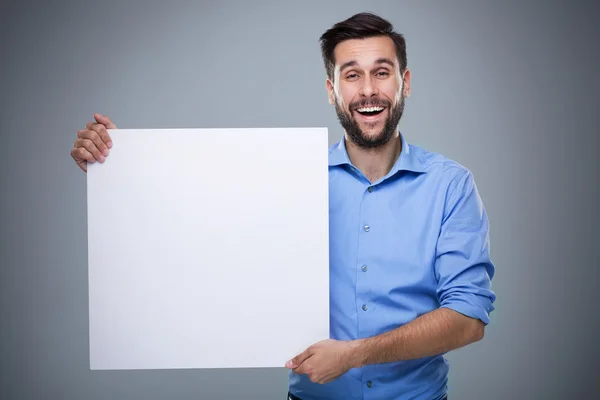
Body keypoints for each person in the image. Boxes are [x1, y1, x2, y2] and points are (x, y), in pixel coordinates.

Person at [70, 12, 496, 400]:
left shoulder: (450, 186)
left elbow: (467, 317)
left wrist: (353, 355)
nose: (368, 90)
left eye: (381, 73)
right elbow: (198, 220)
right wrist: (117, 172)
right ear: (332, 90)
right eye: (352, 75)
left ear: (405, 81)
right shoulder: (288, 178)